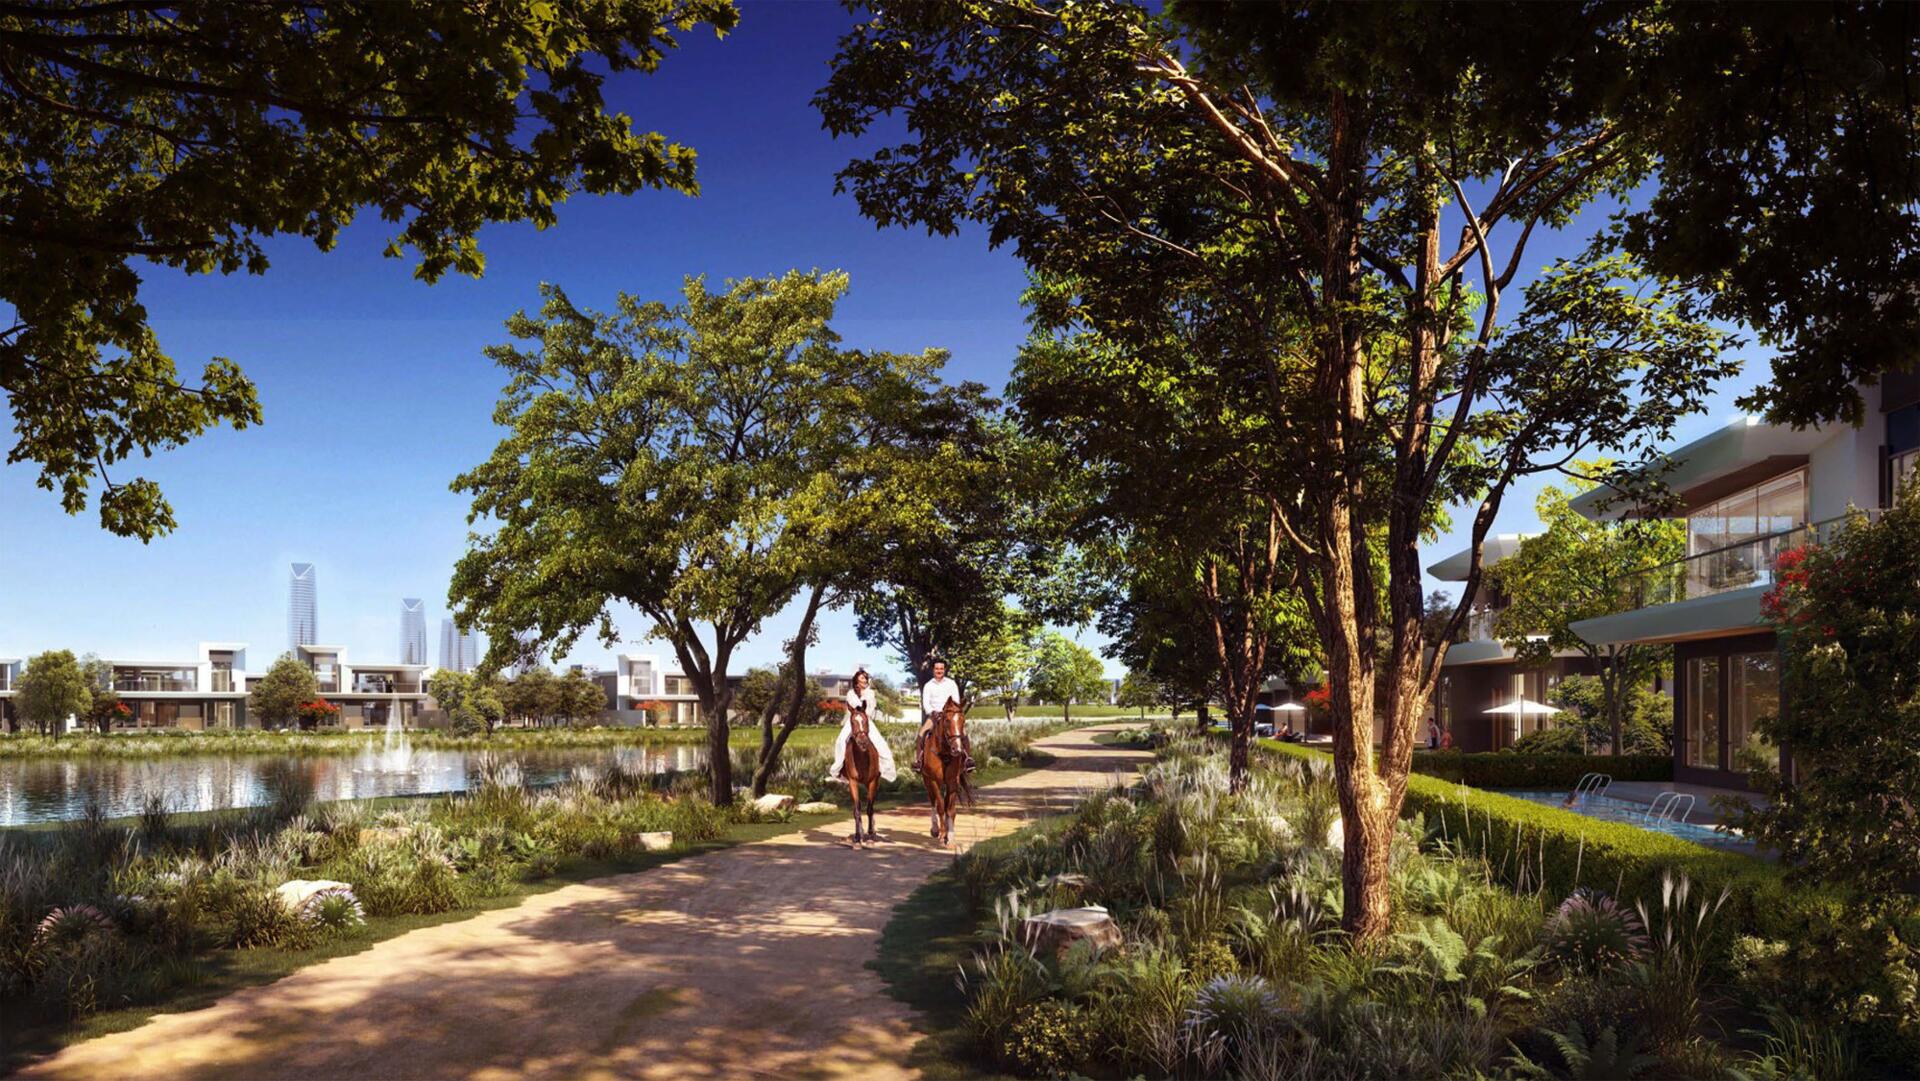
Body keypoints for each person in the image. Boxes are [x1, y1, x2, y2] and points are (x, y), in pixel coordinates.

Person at [827, 668, 897, 782]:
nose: (865, 680)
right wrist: (861, 703)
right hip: (854, 721)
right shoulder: (851, 693)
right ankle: (839, 770)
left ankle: (885, 770)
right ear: (857, 680)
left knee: (880, 743)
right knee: (841, 741)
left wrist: (864, 703)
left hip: (866, 721)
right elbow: (855, 707)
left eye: (866, 678)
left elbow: (870, 709)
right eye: (862, 678)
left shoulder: (870, 693)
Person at [917, 659, 973, 771]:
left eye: (941, 669)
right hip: (934, 715)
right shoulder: (928, 685)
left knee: (963, 733)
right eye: (937, 669)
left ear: (945, 670)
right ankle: (918, 761)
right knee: (921, 733)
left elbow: (956, 701)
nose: (939, 671)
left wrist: (951, 712)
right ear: (933, 670)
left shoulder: (951, 684)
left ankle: (967, 759)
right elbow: (926, 703)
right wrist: (932, 712)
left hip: (949, 715)